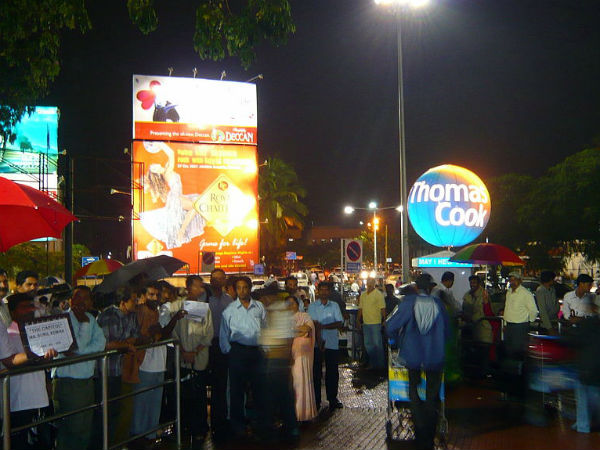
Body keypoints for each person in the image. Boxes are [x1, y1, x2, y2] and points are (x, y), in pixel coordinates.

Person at [385, 273, 449, 450]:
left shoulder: (408, 303)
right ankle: (429, 433)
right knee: (432, 396)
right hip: (435, 357)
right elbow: (447, 331)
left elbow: (390, 326)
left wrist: (395, 342)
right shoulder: (439, 305)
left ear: (416, 287)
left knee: (413, 393)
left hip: (413, 357)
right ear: (430, 288)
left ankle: (420, 430)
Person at [0, 293, 58, 450]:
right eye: (24, 307)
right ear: (12, 312)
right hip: (18, 401)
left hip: (40, 399)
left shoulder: (35, 331)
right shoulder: (7, 333)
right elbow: (10, 361)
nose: (30, 310)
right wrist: (33, 354)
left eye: (31, 306)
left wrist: (49, 354)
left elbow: (43, 361)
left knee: (43, 443)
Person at [52, 286, 106, 450]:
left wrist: (81, 353)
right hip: (69, 383)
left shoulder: (91, 318)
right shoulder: (62, 320)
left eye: (86, 298)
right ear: (71, 300)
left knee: (84, 429)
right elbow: (74, 348)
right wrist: (82, 325)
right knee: (71, 430)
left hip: (86, 381)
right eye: (78, 297)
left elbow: (101, 343)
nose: (82, 302)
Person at [165, 275, 214, 443]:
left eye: (201, 287)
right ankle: (184, 426)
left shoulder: (204, 308)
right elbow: (173, 332)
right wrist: (184, 351)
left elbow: (208, 333)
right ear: (188, 288)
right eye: (196, 286)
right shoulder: (176, 307)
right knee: (183, 393)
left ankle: (199, 427)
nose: (199, 290)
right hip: (182, 357)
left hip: (199, 358)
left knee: (199, 393)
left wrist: (195, 351)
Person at [220, 276, 266, 438]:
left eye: (245, 287)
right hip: (237, 353)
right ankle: (237, 425)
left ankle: (259, 423)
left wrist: (265, 350)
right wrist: (230, 352)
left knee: (259, 390)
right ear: (235, 289)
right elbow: (223, 335)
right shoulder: (230, 310)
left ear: (250, 288)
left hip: (257, 352)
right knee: (236, 391)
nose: (242, 291)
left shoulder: (259, 307)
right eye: (239, 288)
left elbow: (266, 328)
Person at [140, 141, 206, 249]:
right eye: (154, 168)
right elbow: (171, 153)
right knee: (196, 206)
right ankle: (182, 231)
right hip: (176, 197)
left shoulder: (166, 169)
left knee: (197, 201)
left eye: (154, 165)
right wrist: (160, 144)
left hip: (177, 196)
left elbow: (170, 154)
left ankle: (182, 230)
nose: (155, 165)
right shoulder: (167, 172)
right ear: (157, 172)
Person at [96, 286, 140, 446]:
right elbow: (108, 344)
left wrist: (125, 344)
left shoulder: (131, 315)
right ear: (123, 302)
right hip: (108, 370)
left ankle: (118, 442)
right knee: (110, 411)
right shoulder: (109, 316)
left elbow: (136, 335)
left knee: (123, 409)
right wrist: (125, 345)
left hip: (124, 369)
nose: (136, 303)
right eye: (133, 300)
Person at [259, 293, 298, 441]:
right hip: (278, 358)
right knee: (283, 395)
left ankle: (272, 427)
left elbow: (284, 337)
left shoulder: (276, 311)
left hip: (276, 358)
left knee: (274, 395)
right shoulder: (281, 311)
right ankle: (289, 426)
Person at [563, 295, 600, 433]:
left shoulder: (586, 324)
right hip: (596, 368)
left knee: (583, 398)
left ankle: (583, 426)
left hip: (586, 366)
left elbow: (572, 340)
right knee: (595, 395)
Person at [307, 282, 344, 410]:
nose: (323, 292)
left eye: (326, 290)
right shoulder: (312, 307)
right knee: (316, 373)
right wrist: (321, 327)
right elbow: (312, 324)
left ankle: (332, 398)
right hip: (316, 345)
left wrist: (323, 326)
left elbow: (339, 322)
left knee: (332, 372)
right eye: (321, 290)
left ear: (329, 292)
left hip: (331, 343)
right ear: (318, 291)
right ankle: (316, 400)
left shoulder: (334, 306)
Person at [207, 268, 234, 441]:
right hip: (206, 345)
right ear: (210, 281)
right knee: (205, 383)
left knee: (221, 384)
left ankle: (220, 420)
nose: (217, 281)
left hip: (222, 345)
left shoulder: (229, 300)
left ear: (224, 280)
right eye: (214, 279)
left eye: (220, 279)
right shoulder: (205, 299)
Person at [288, 296, 317, 422]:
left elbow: (308, 329)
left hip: (303, 355)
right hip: (290, 354)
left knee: (302, 381)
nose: (290, 306)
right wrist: (300, 332)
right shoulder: (284, 319)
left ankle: (303, 413)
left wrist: (293, 331)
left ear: (297, 304)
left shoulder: (304, 315)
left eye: (293, 303)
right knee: (292, 383)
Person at [504, 271, 538, 360]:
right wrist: (505, 324)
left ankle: (518, 371)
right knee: (508, 350)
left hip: (520, 326)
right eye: (510, 280)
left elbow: (533, 310)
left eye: (514, 280)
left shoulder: (526, 294)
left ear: (520, 281)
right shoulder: (509, 292)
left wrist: (529, 321)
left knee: (517, 351)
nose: (512, 282)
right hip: (509, 326)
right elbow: (506, 309)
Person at [357, 277, 386, 370]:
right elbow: (360, 308)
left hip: (376, 323)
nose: (369, 285)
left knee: (377, 345)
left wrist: (384, 320)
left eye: (370, 283)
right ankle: (373, 363)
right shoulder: (363, 295)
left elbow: (383, 309)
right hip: (366, 323)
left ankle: (380, 365)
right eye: (368, 283)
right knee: (368, 345)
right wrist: (358, 320)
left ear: (374, 284)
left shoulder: (378, 294)